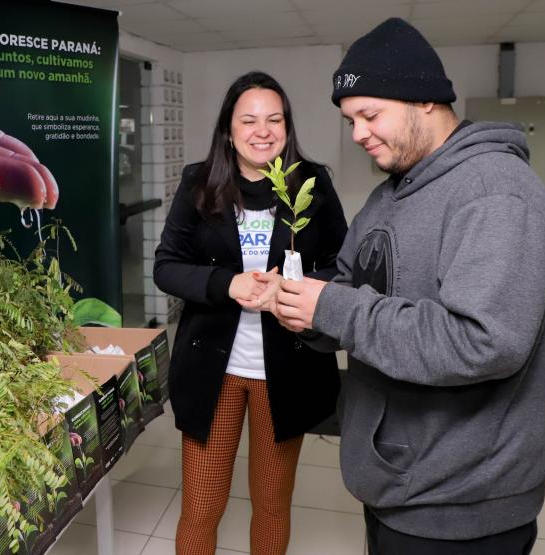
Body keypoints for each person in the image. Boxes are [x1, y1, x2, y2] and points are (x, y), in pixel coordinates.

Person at [270, 18, 545, 554]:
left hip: (463, 506)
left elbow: (483, 342)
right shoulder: (390, 195)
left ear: (424, 99)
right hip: (398, 481)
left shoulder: (496, 194)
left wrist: (333, 308)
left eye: (369, 114)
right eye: (350, 119)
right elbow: (351, 288)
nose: (357, 133)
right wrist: (304, 308)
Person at [153, 71, 348, 555]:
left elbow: (342, 267)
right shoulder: (200, 184)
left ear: (287, 126)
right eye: (249, 120)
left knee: (272, 505)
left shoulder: (312, 183)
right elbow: (167, 266)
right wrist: (227, 283)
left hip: (286, 369)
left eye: (274, 119)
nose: (263, 131)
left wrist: (297, 289)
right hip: (212, 369)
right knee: (201, 506)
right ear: (229, 129)